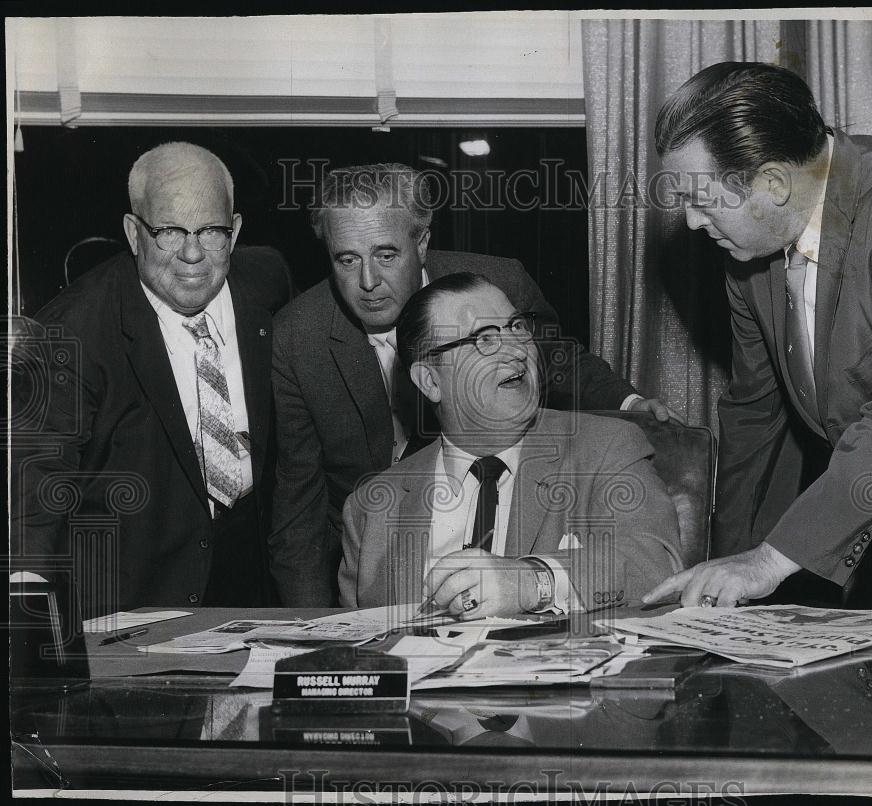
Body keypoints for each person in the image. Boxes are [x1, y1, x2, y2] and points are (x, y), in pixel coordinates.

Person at [642, 62, 872, 610]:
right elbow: (753, 417)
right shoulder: (748, 248)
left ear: (775, 184)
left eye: (703, 201)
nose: (690, 223)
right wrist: (723, 583)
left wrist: (770, 560)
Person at [270, 163, 676, 607]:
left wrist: (628, 402)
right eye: (347, 260)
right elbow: (299, 504)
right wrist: (310, 639)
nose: (367, 282)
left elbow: (561, 360)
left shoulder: (495, 289)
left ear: (421, 242)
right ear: (426, 379)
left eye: (386, 255)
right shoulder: (300, 337)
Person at [10, 142, 292, 617]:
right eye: (168, 231)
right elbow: (35, 479)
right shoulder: (71, 332)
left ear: (235, 231)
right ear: (133, 233)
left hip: (249, 594)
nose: (191, 253)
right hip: (131, 603)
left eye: (210, 231)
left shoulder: (269, 283)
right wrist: (23, 599)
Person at [338, 272, 683, 614]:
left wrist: (534, 582)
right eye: (484, 339)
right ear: (430, 381)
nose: (517, 350)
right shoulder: (371, 509)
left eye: (517, 327)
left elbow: (655, 565)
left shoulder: (606, 448)